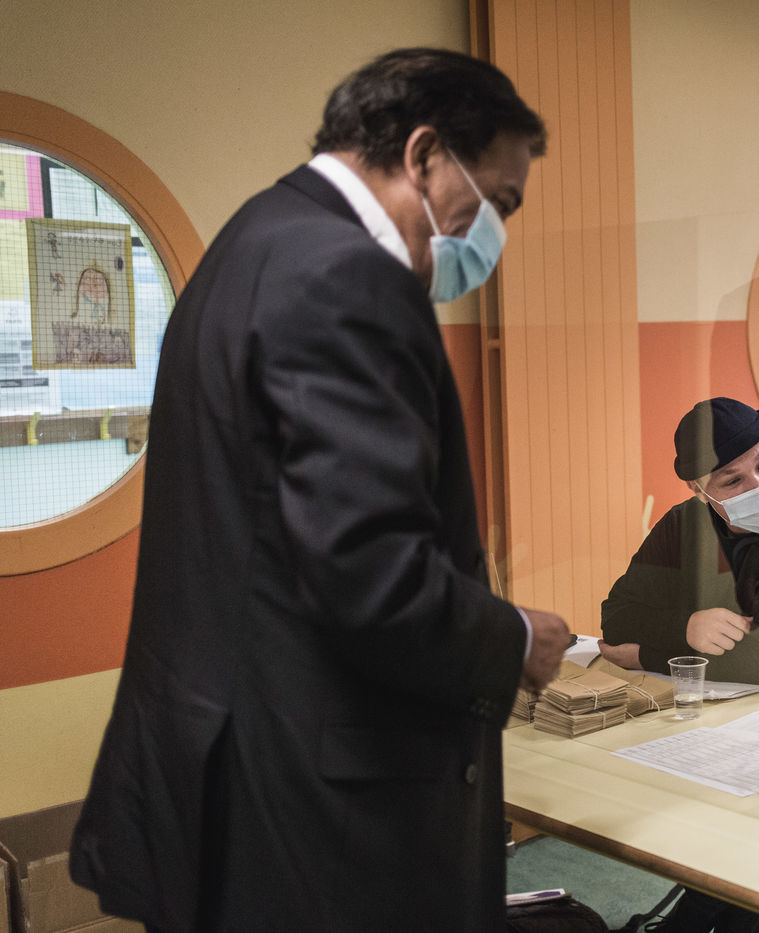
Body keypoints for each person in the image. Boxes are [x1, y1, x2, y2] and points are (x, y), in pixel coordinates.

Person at [69, 49, 571, 933]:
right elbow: (371, 574)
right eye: (497, 201)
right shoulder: (349, 277)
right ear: (424, 155)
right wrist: (513, 636)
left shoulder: (251, 241)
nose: (493, 231)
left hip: (229, 762)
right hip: (320, 810)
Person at [600, 397, 759, 689]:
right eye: (733, 481)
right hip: (707, 696)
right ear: (698, 490)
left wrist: (646, 657)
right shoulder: (683, 524)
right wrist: (686, 628)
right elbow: (616, 617)